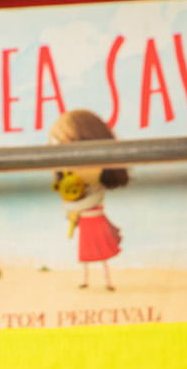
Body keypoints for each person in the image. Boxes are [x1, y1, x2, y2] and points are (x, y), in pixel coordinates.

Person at [48, 108, 129, 291]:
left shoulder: (96, 189)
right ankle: (86, 280)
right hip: (86, 223)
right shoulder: (73, 194)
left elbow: (88, 201)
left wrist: (73, 208)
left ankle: (107, 281)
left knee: (102, 254)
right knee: (85, 254)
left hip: (96, 222)